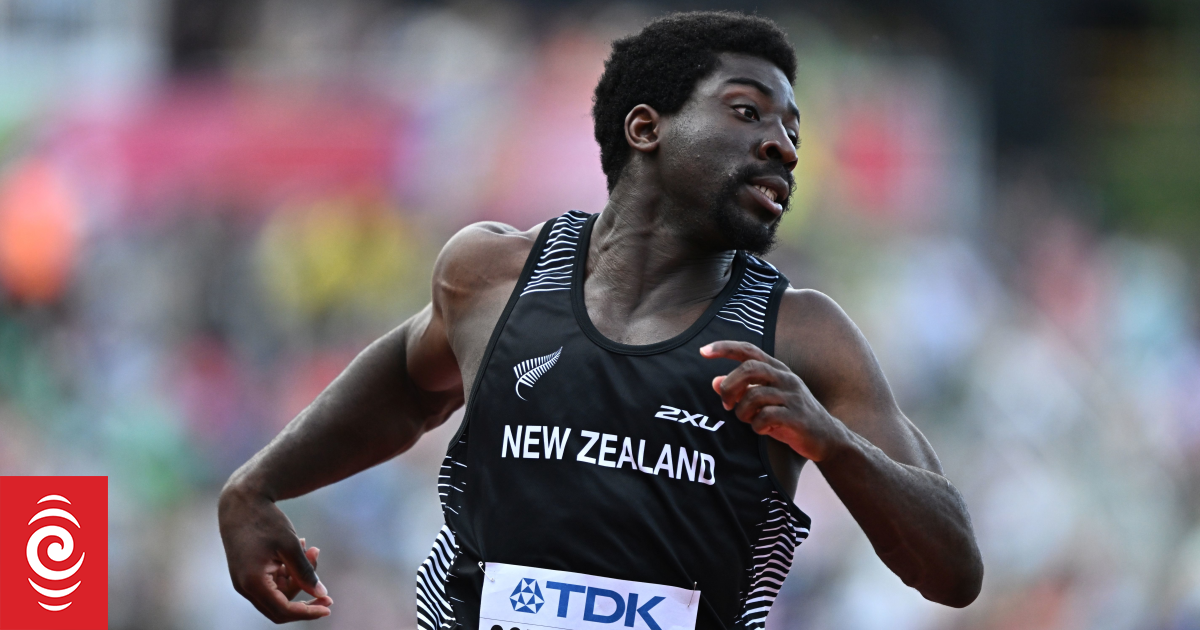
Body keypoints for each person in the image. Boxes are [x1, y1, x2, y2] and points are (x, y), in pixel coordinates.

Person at [218, 11, 984, 628]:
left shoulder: (801, 335)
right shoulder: (491, 275)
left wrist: (831, 442)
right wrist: (255, 488)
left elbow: (953, 569)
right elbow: (408, 389)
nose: (781, 147)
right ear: (645, 129)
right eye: (749, 111)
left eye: (793, 133)